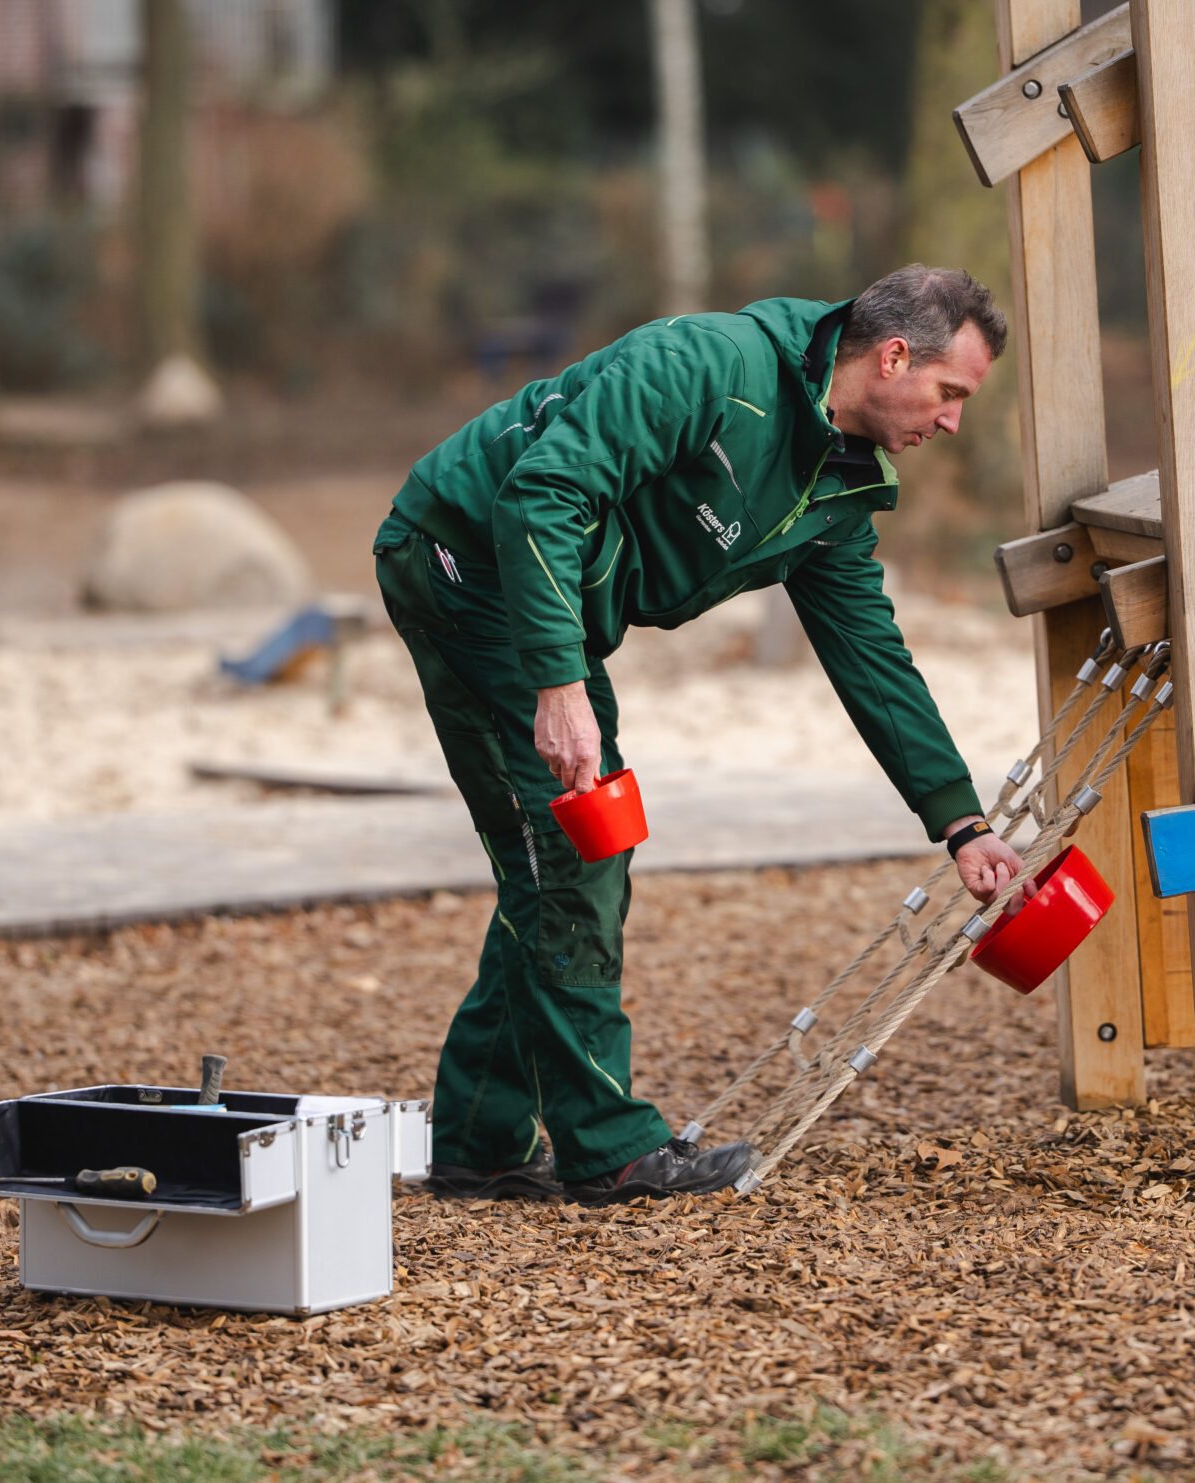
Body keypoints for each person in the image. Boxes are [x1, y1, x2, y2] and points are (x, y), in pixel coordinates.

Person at [371, 264, 1030, 1205]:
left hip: (542, 603)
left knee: (558, 858)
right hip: (465, 562)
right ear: (892, 357)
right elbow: (540, 494)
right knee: (575, 849)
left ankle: (479, 1137)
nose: (954, 420)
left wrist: (962, 824)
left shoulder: (838, 488)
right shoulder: (709, 367)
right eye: (950, 391)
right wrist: (558, 683)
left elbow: (872, 658)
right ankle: (609, 1150)